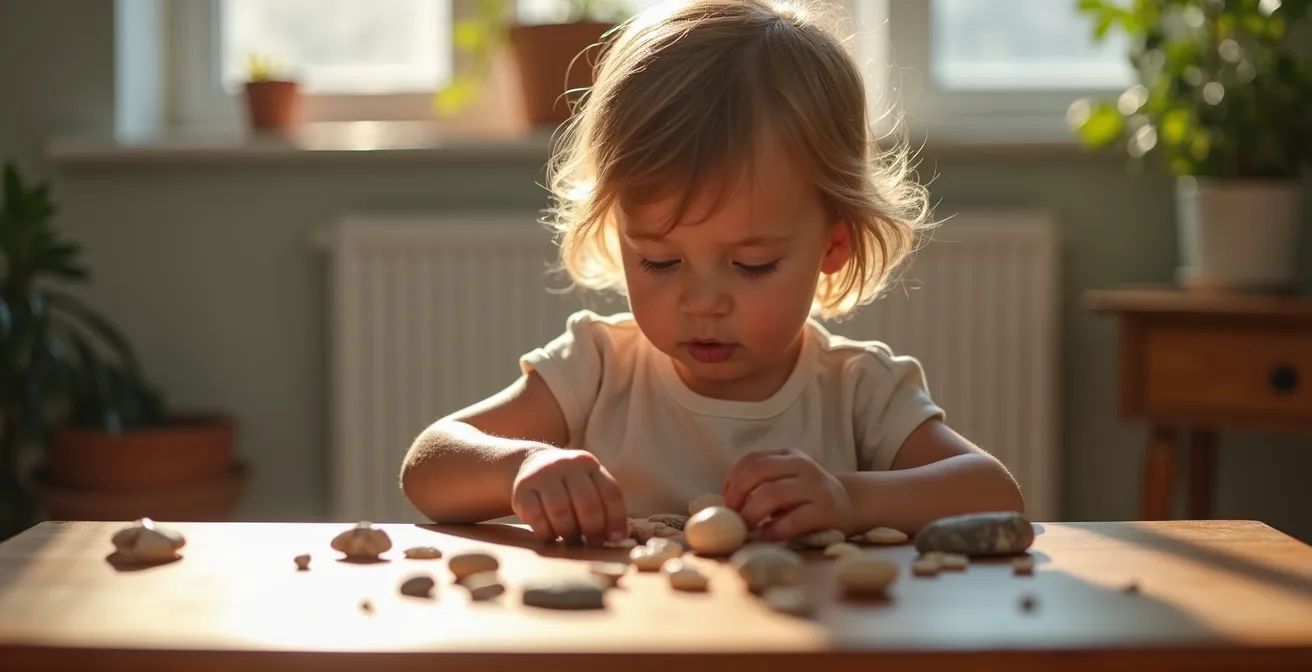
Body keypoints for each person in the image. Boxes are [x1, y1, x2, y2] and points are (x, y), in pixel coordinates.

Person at [400, 0, 1024, 545]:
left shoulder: (856, 389)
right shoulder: (597, 368)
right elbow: (429, 464)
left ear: (832, 246)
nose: (701, 302)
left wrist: (850, 498)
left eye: (752, 266)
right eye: (661, 261)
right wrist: (520, 468)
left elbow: (994, 493)